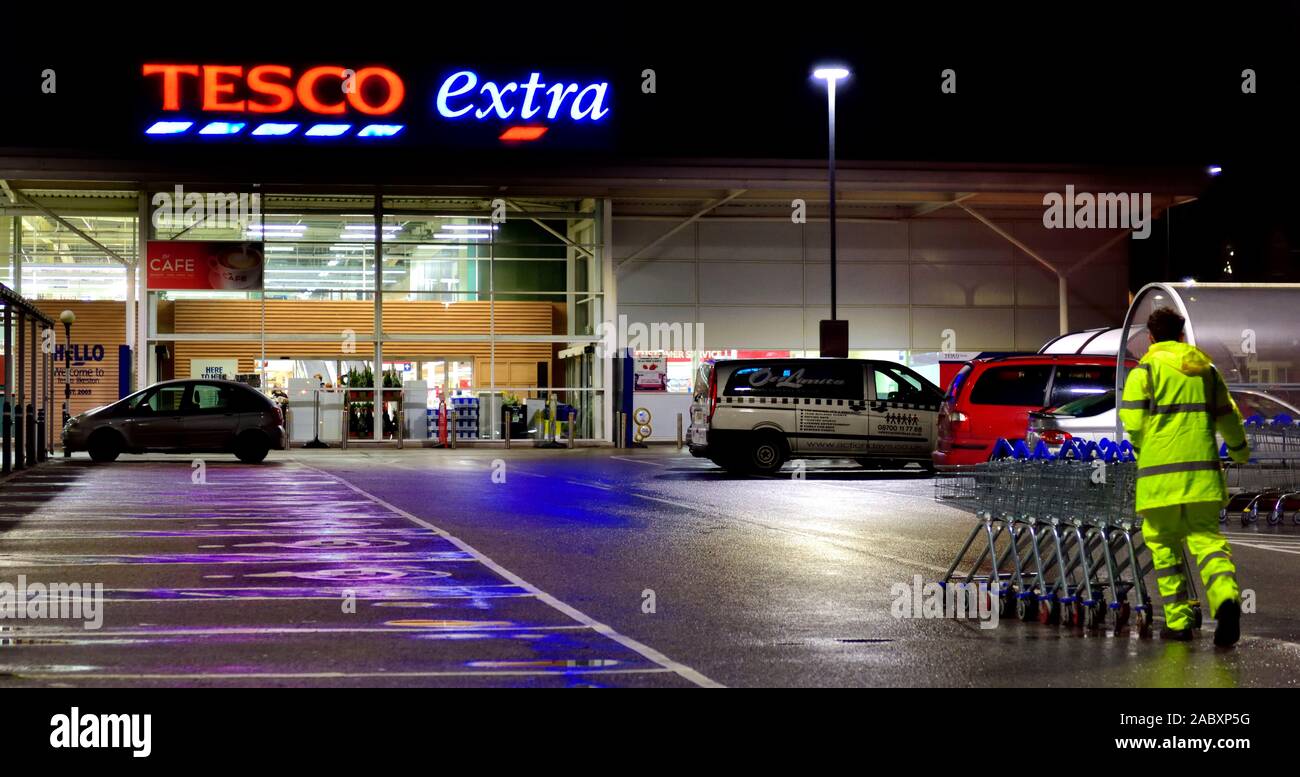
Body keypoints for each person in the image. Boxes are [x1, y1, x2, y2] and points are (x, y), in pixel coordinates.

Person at [1119, 307, 1249, 646]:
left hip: (1159, 482)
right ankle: (1225, 601)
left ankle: (1178, 623)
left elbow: (1132, 424)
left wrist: (1148, 448)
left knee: (1164, 550)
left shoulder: (1144, 372)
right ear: (1181, 334)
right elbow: (1228, 417)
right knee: (1208, 544)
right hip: (1202, 480)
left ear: (1150, 337)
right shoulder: (1205, 370)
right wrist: (1239, 451)